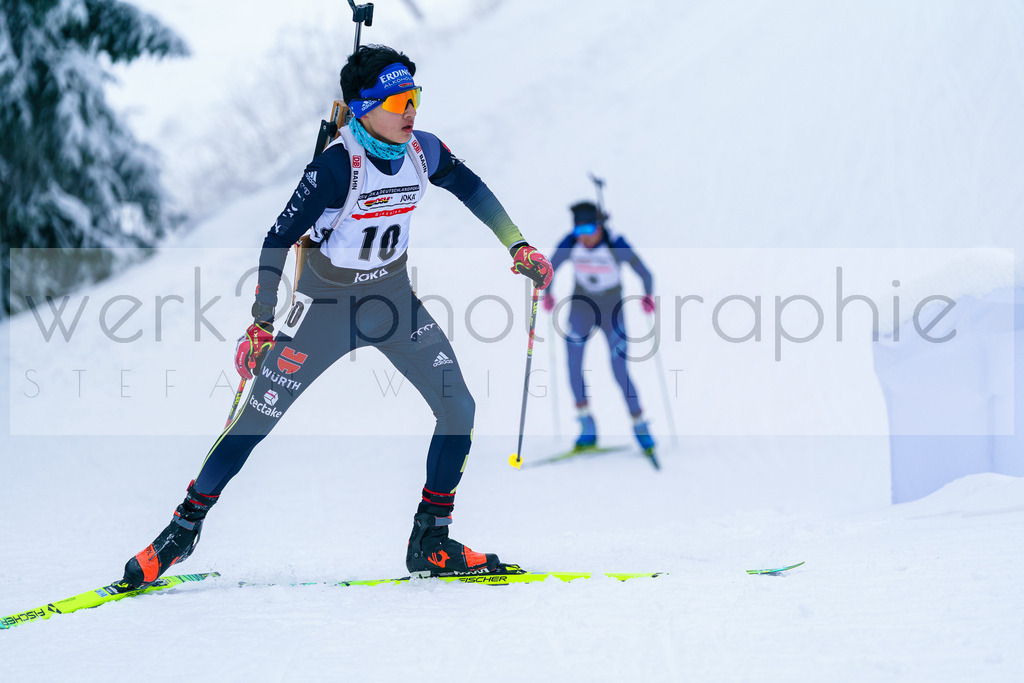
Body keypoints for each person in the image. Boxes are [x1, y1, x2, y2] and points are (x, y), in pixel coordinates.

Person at [122, 45, 552, 588]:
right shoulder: (334, 166)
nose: (409, 110)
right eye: (397, 101)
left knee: (458, 407)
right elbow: (278, 238)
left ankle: (431, 539)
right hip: (325, 310)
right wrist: (261, 322)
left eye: (414, 98)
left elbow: (472, 188)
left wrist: (518, 244)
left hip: (393, 303)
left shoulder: (423, 151)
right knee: (255, 420)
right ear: (365, 108)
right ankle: (182, 530)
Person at [542, 200, 655, 454]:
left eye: (588, 230)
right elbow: (548, 269)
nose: (583, 237)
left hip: (612, 309)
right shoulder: (571, 242)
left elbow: (645, 273)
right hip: (581, 306)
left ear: (600, 226)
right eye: (578, 231)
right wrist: (548, 293)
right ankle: (586, 426)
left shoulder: (615, 243)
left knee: (619, 368)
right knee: (573, 363)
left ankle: (640, 425)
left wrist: (648, 296)